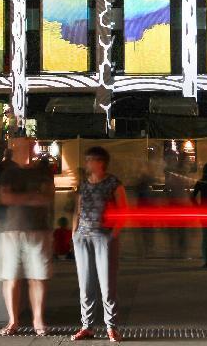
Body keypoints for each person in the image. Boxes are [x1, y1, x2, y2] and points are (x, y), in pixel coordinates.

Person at [71, 146, 127, 342]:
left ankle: (111, 326)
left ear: (100, 162)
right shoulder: (83, 184)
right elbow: (77, 210)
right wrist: (74, 233)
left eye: (89, 160)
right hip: (83, 238)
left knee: (107, 284)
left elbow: (123, 210)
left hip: (104, 237)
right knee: (85, 284)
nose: (86, 163)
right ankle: (87, 326)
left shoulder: (113, 183)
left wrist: (113, 234)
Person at [0, 160, 54, 336]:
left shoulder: (43, 170)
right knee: (11, 278)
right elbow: (5, 197)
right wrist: (32, 197)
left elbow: (47, 197)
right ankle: (13, 320)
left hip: (37, 229)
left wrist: (19, 197)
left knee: (38, 276)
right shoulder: (8, 172)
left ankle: (38, 320)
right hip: (9, 230)